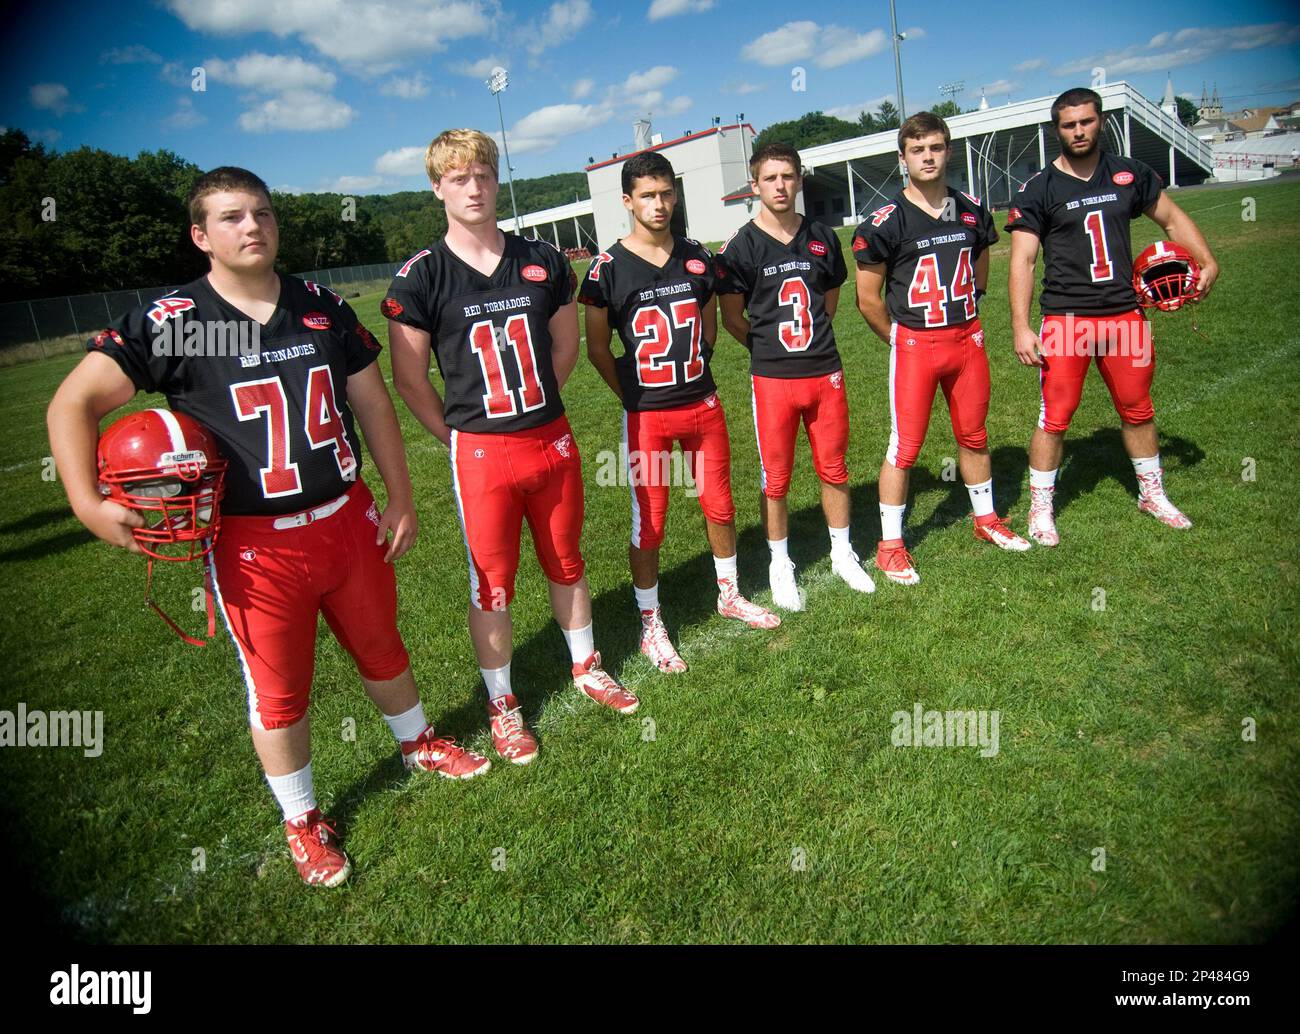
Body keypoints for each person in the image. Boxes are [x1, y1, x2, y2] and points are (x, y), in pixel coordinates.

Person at [47, 167, 488, 889]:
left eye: (261, 213)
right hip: (254, 543)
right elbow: (71, 404)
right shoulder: (174, 319)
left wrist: (400, 496)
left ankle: (418, 743)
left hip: (346, 517)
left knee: (383, 645)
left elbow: (373, 404)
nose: (251, 227)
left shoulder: (319, 305)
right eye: (229, 218)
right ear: (201, 235)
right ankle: (302, 817)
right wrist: (87, 504)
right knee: (279, 690)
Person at [385, 129, 639, 768]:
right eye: (458, 177)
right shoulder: (420, 277)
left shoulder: (543, 260)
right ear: (437, 187)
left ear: (497, 181)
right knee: (492, 584)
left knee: (567, 559)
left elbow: (566, 347)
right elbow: (410, 379)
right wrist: (458, 436)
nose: (474, 187)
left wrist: (532, 411)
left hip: (549, 439)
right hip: (482, 455)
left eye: (484, 175)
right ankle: (502, 703)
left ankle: (585, 665)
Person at [580, 151, 779, 674]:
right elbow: (597, 347)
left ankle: (728, 593)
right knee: (651, 522)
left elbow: (709, 324)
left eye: (667, 192)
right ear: (627, 201)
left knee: (720, 504)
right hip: (649, 415)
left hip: (702, 404)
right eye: (647, 194)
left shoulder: (696, 255)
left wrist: (696, 365)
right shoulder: (607, 268)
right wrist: (628, 393)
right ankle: (650, 622)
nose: (659, 203)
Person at [1007, 87, 1219, 544]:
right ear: (1056, 130)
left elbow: (1172, 220)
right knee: (1055, 416)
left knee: (1138, 409)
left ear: (1100, 121)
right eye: (1069, 124)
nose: (1078, 130)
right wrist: (1022, 327)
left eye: (1086, 121)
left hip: (1125, 314)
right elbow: (1022, 259)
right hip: (1066, 319)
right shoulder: (1039, 188)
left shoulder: (1128, 173)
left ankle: (1152, 493)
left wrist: (1207, 261)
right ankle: (1041, 506)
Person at [853, 111, 1031, 585]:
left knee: (973, 434)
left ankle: (986, 519)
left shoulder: (971, 208)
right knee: (904, 447)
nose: (927, 157)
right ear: (903, 158)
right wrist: (901, 340)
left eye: (935, 147)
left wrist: (968, 317)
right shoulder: (885, 221)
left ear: (948, 151)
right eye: (917, 150)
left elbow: (981, 267)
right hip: (916, 342)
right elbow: (867, 299)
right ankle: (890, 545)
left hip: (966, 337)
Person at [715, 142, 876, 611]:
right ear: (755, 185)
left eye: (787, 176)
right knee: (776, 478)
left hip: (824, 370)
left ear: (799, 179)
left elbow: (828, 304)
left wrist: (804, 345)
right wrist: (772, 349)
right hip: (773, 379)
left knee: (834, 467)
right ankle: (779, 563)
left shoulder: (822, 236)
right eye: (770, 178)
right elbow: (732, 319)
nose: (780, 186)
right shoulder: (739, 248)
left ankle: (843, 553)